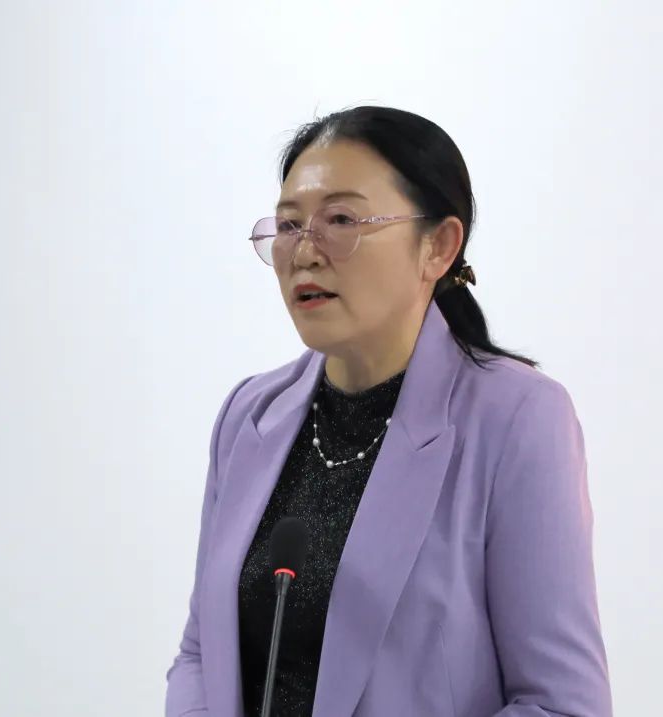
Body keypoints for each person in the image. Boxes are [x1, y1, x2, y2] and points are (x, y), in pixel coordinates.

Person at [164, 106, 612, 716]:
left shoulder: (518, 418)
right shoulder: (249, 415)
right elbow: (200, 653)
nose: (304, 252)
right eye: (289, 224)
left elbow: (561, 704)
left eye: (341, 220)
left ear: (438, 247)